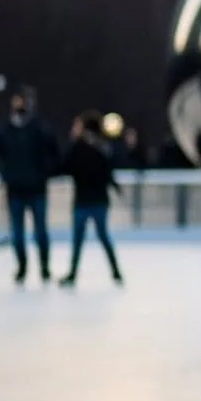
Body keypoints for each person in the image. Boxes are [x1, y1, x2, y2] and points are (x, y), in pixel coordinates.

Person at [0, 91, 61, 284]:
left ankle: (44, 266)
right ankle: (22, 266)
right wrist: (4, 173)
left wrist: (45, 172)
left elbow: (53, 150)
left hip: (36, 188)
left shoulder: (38, 129)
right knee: (17, 234)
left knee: (40, 232)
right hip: (15, 190)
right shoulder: (4, 130)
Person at [58, 112, 123, 287]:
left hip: (87, 201)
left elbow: (66, 167)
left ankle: (75, 274)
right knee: (99, 237)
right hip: (95, 200)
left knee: (85, 238)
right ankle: (115, 272)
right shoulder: (101, 148)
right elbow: (107, 172)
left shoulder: (82, 148)